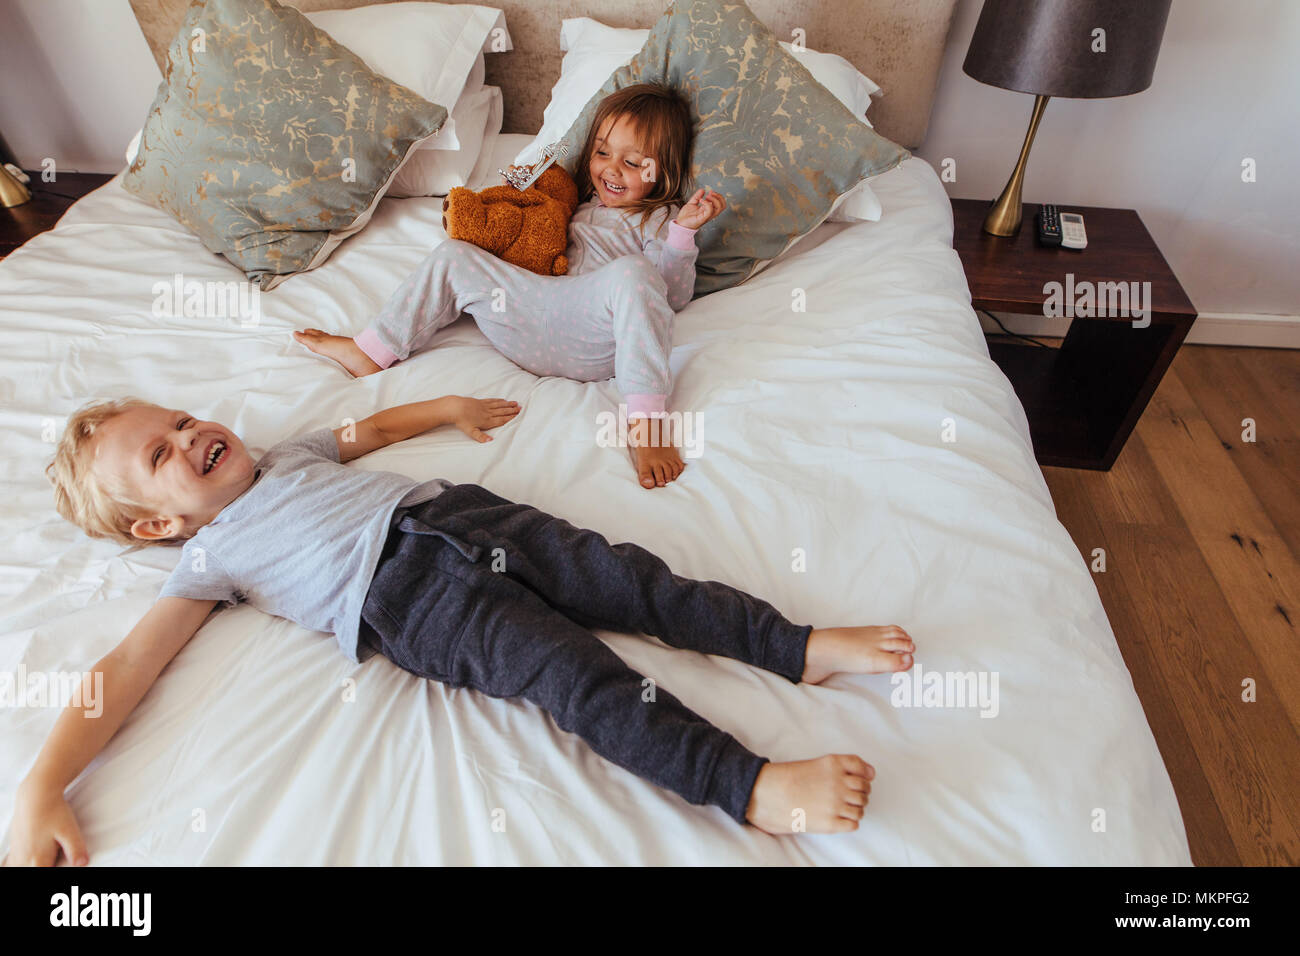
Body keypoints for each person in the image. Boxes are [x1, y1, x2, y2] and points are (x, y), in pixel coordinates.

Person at [4, 395, 917, 865]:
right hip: (412, 600)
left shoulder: (282, 453)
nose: (190, 431)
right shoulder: (207, 562)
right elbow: (125, 664)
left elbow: (360, 432)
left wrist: (444, 411)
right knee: (575, 677)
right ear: (157, 528)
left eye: (178, 417)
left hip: (474, 519)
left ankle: (791, 647)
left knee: (640, 584)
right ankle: (747, 785)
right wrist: (42, 785)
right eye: (161, 454)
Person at [294, 82, 725, 490]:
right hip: (529, 314)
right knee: (455, 255)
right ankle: (372, 350)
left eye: (632, 163)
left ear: (663, 171)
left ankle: (646, 423)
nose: (610, 169)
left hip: (593, 337)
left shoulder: (662, 219)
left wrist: (682, 235)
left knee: (633, 273)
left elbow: (669, 296)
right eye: (601, 152)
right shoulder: (575, 201)